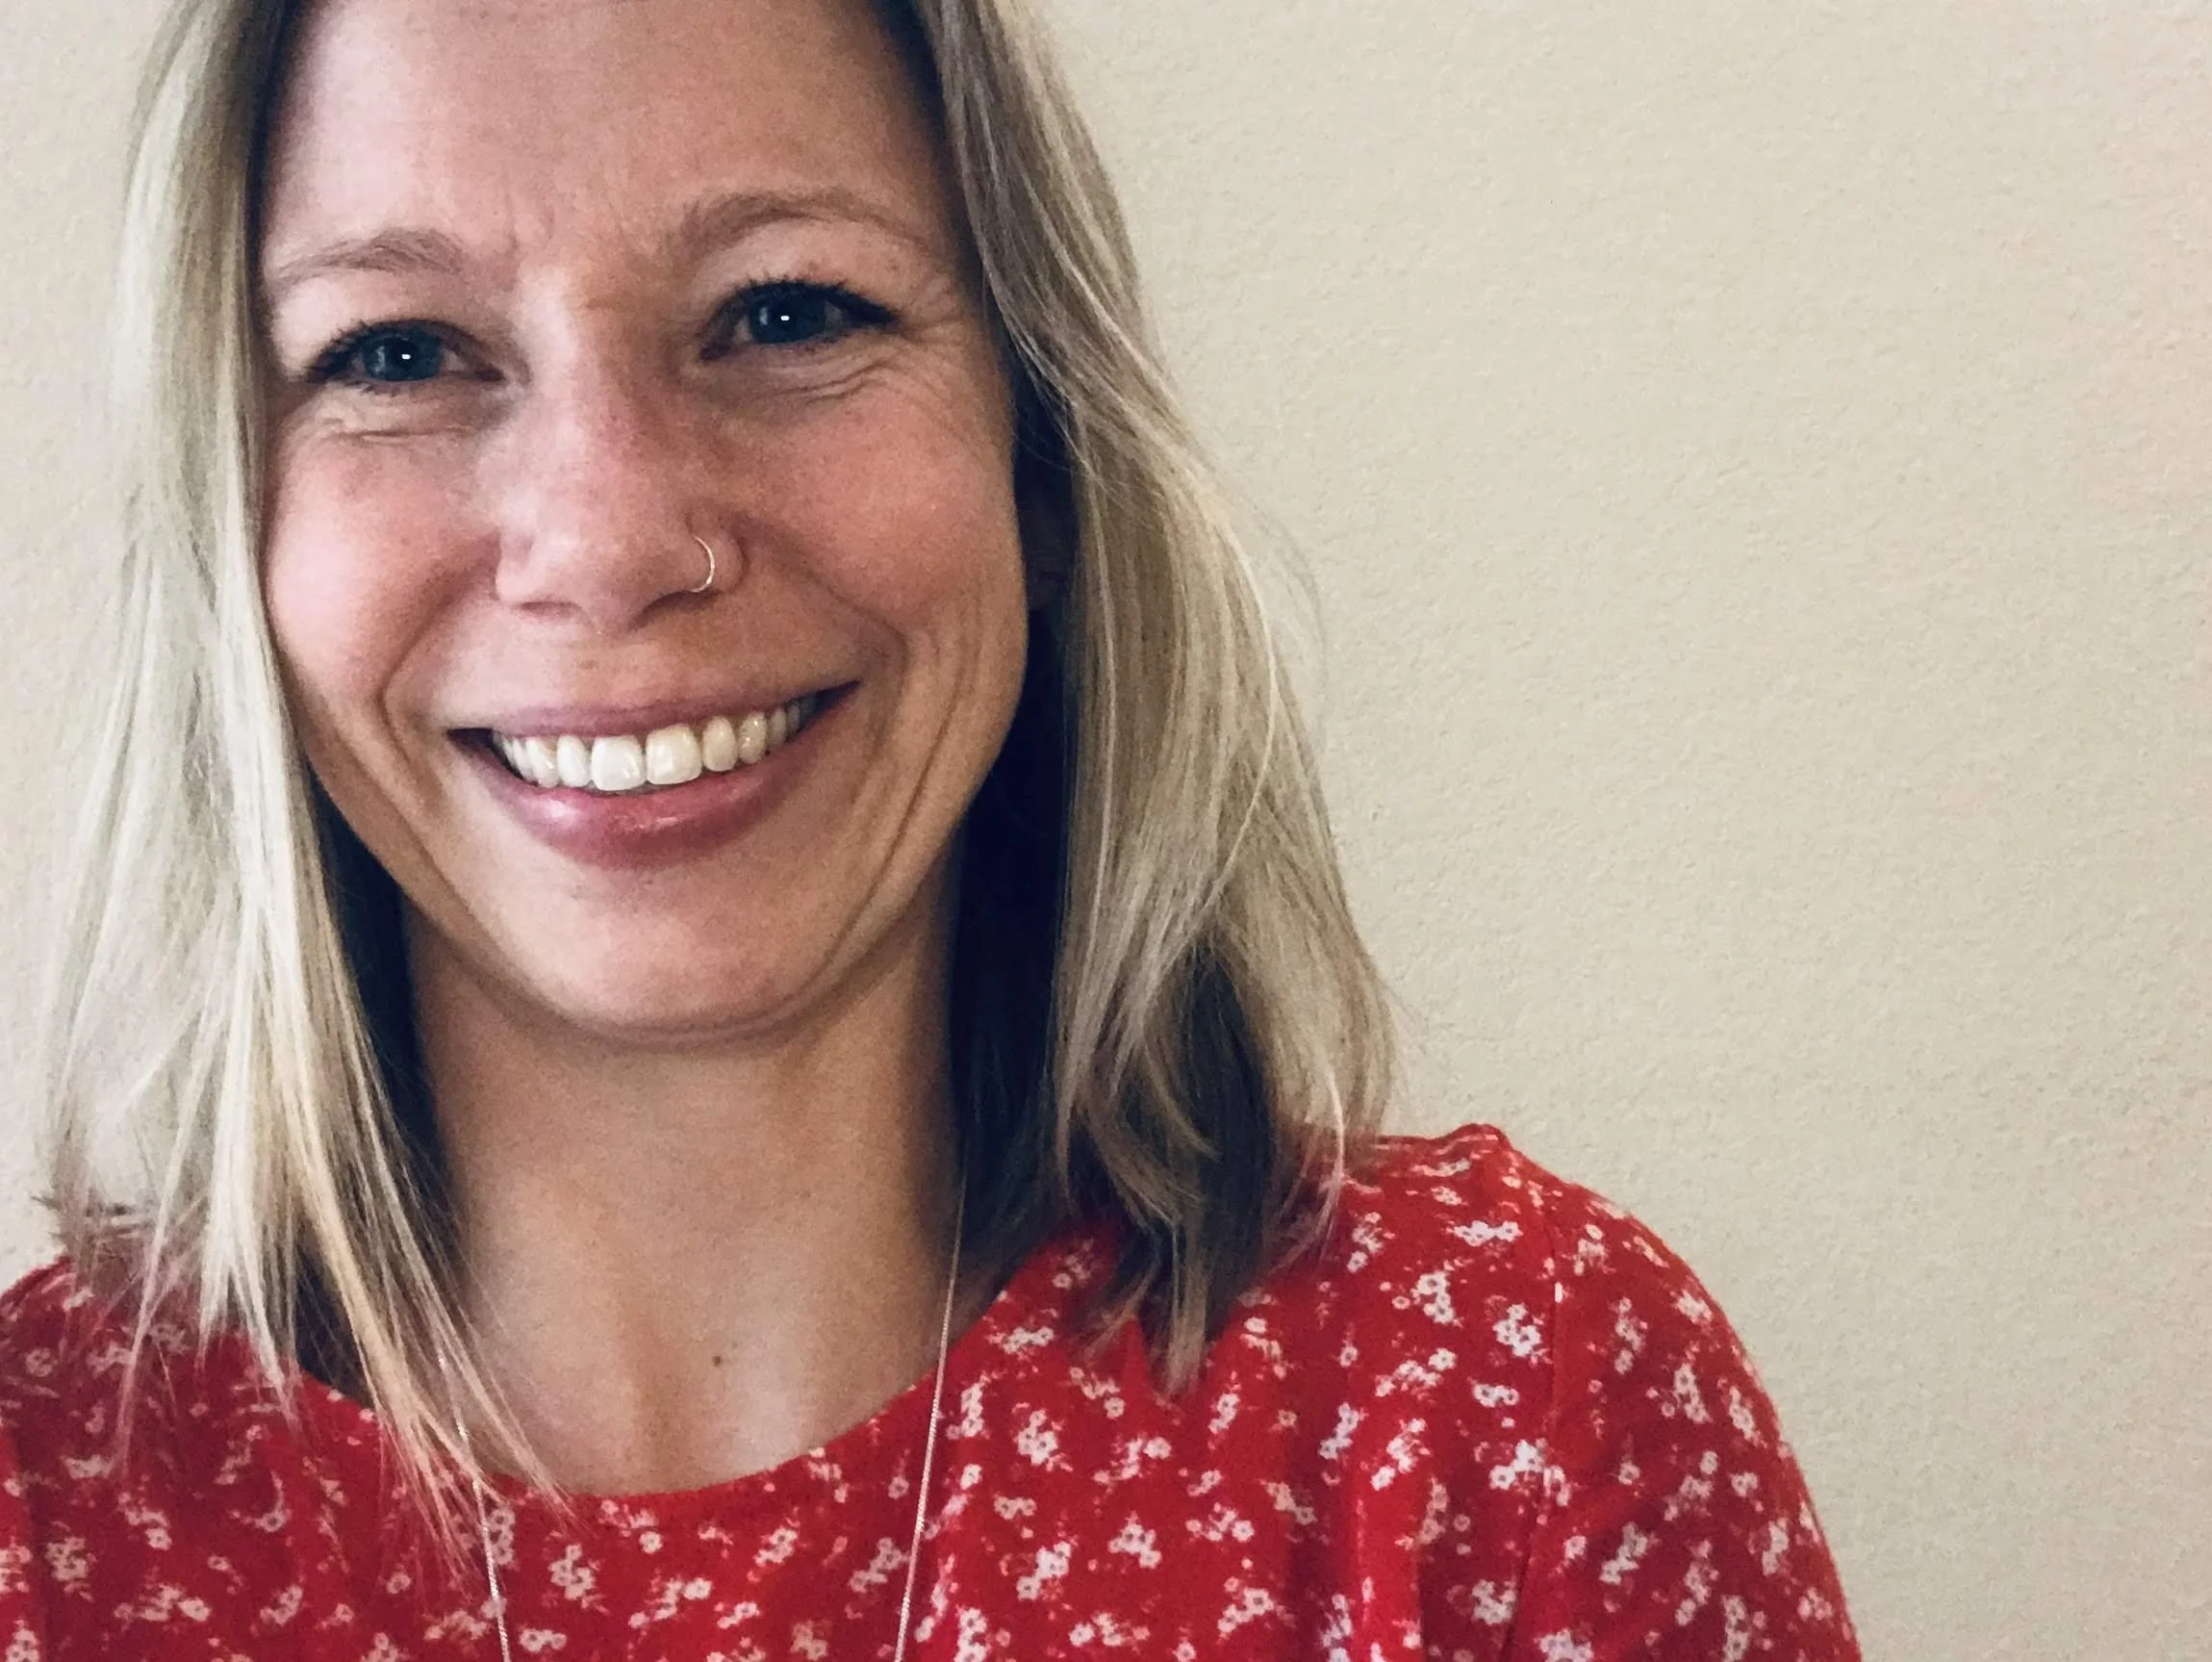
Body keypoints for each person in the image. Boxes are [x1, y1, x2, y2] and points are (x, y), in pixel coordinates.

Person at [0, 0, 1861, 1655]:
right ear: (234, 535)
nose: (613, 538)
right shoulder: (42, 1518)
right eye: (398, 353)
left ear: (1041, 459)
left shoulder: (1497, 1406)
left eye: (786, 312)